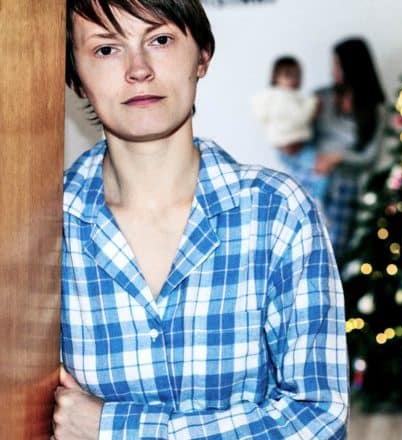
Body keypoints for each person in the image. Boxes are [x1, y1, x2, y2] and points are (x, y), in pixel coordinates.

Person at [56, 1, 348, 438]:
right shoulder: (45, 225)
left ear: (203, 56)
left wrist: (113, 428)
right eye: (106, 50)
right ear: (76, 78)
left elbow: (318, 419)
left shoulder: (278, 213)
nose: (138, 69)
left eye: (160, 40)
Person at [313, 38, 387, 261]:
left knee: (334, 253)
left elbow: (369, 157)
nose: (333, 70)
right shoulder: (322, 97)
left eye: (338, 64)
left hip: (346, 185)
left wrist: (338, 158)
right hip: (313, 177)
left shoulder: (375, 109)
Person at [251, 56, 328, 202]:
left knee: (299, 179)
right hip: (295, 148)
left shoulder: (277, 98)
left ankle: (311, 199)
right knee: (322, 174)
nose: (294, 80)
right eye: (288, 75)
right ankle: (316, 201)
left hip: (288, 148)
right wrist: (313, 105)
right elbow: (300, 117)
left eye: (298, 75)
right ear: (275, 77)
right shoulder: (282, 98)